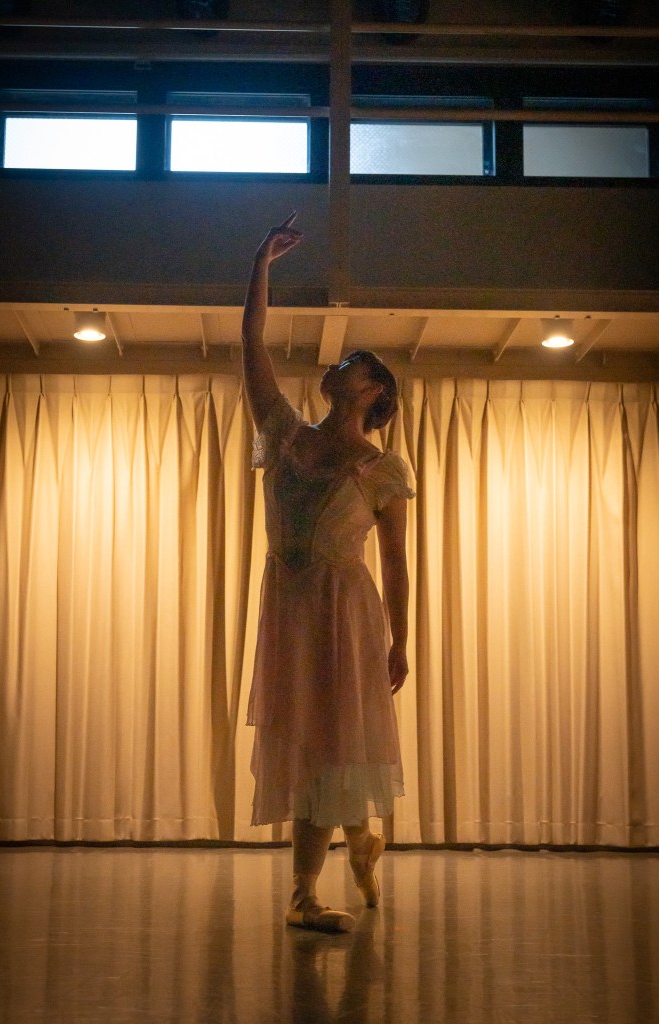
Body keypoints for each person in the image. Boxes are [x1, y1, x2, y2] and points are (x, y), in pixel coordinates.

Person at [242, 213, 414, 933]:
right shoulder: (284, 433)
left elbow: (396, 562)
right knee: (312, 743)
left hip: (345, 609)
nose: (337, 366)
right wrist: (261, 265)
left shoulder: (383, 469)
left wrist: (400, 641)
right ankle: (351, 853)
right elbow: (251, 346)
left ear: (373, 392)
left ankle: (304, 893)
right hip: (289, 605)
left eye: (354, 364)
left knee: (334, 743)